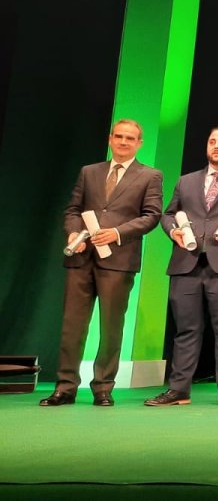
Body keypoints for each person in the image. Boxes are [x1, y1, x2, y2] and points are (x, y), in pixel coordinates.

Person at [41, 119, 164, 407]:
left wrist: (117, 233)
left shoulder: (150, 175)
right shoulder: (89, 172)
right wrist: (74, 232)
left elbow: (152, 216)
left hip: (118, 261)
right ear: (110, 139)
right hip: (82, 258)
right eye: (119, 137)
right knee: (72, 325)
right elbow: (73, 209)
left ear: (139, 143)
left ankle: (103, 387)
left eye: (130, 138)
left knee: (111, 327)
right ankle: (66, 386)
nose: (123, 142)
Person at [145, 127, 218, 407]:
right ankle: (179, 389)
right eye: (212, 141)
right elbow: (168, 214)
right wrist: (173, 232)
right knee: (186, 330)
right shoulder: (186, 181)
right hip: (187, 264)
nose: (216, 146)